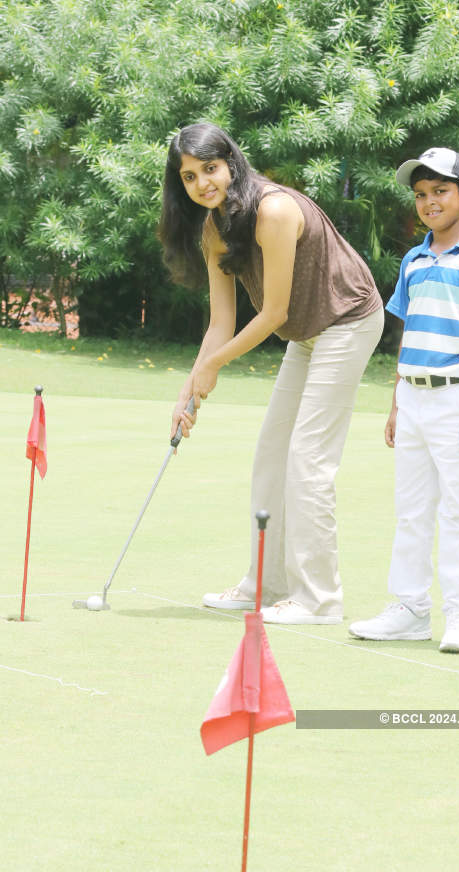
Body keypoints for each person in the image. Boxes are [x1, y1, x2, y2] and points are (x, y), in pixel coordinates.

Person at [160, 123, 384, 624]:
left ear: (231, 163)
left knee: (308, 459)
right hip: (309, 331)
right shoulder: (215, 228)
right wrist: (189, 389)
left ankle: (319, 599)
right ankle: (266, 584)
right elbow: (220, 322)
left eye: (210, 169)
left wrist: (215, 365)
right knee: (271, 454)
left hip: (347, 321)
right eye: (189, 177)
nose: (202, 184)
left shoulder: (274, 210)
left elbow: (273, 313)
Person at [349, 147, 459, 653]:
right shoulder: (413, 260)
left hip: (458, 399)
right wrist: (397, 402)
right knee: (412, 510)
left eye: (441, 191)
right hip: (413, 398)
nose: (430, 202)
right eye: (421, 194)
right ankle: (411, 609)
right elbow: (408, 333)